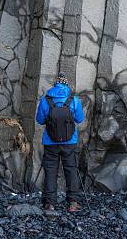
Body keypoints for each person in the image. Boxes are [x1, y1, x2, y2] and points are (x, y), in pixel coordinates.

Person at [35, 73, 85, 212]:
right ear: (66, 84)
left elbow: (39, 120)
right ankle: (73, 203)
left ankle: (50, 204)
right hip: (70, 141)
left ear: (55, 84)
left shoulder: (46, 100)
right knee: (71, 170)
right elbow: (80, 119)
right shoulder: (73, 100)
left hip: (50, 142)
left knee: (50, 171)